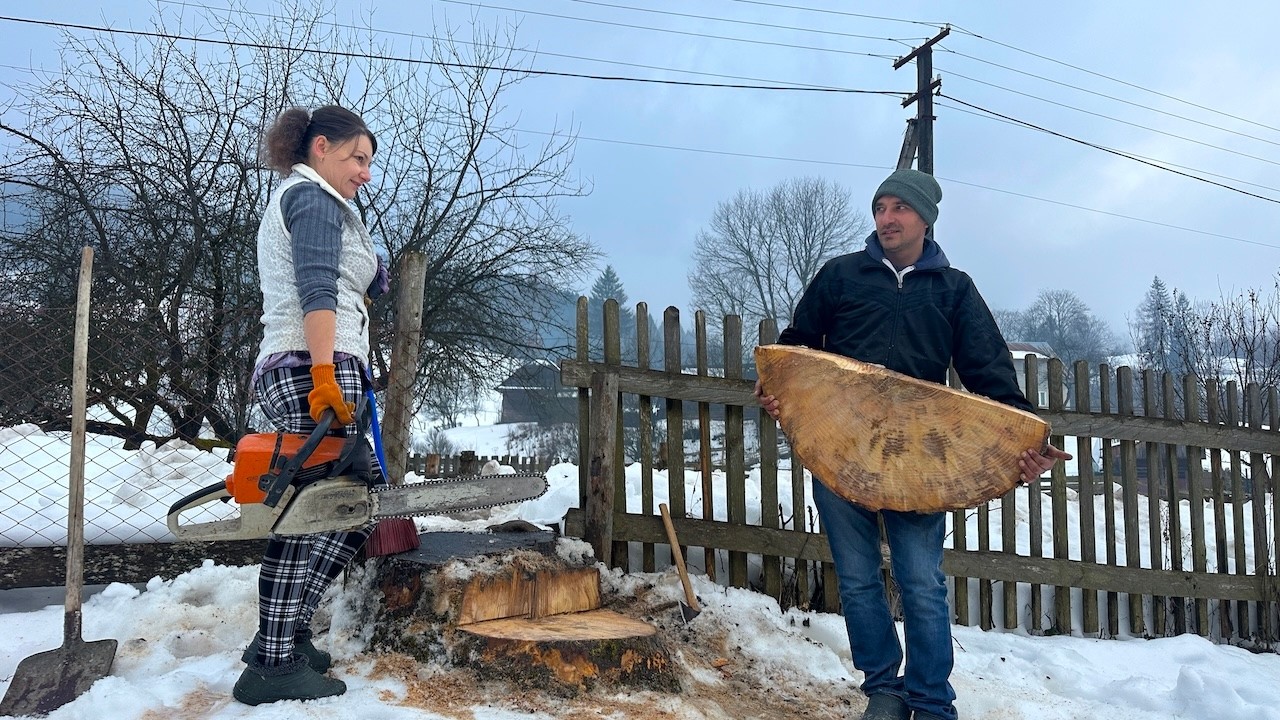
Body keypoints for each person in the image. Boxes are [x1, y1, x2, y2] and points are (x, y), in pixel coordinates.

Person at [754, 169, 1070, 720]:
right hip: (841, 454)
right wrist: (777, 390)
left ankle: (930, 701)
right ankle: (884, 689)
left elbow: (989, 374)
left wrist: (1023, 437)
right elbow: (796, 352)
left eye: (899, 208)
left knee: (922, 584)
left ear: (926, 218)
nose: (886, 218)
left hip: (919, 461)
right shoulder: (841, 276)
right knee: (856, 580)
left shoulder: (953, 289)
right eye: (880, 208)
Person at [232, 104, 389, 706]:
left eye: (369, 162)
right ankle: (273, 664)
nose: (365, 173)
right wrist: (325, 373)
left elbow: (338, 280)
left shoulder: (310, 199)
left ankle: (283, 635)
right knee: (330, 513)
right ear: (320, 147)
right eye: (358, 157)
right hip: (311, 369)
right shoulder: (315, 199)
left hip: (304, 366)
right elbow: (316, 290)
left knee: (331, 510)